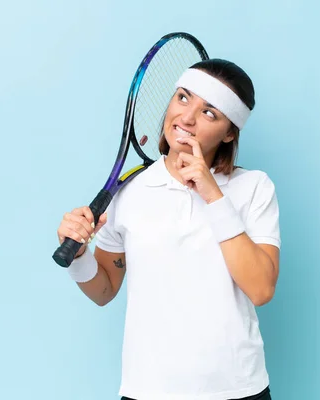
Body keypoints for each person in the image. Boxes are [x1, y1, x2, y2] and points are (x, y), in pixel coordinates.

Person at [57, 58, 281, 400]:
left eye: (210, 113)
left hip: (238, 389)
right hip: (148, 391)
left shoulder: (253, 187)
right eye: (183, 97)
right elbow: (104, 290)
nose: (187, 118)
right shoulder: (128, 190)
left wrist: (213, 195)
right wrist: (78, 256)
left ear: (230, 131)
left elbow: (262, 289)